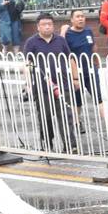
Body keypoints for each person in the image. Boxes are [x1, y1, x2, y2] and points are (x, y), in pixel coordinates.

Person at [21, 13, 74, 149]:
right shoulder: (31, 42)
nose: (47, 27)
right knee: (46, 117)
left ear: (53, 26)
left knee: (65, 116)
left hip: (62, 85)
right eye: (44, 25)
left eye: (49, 24)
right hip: (42, 87)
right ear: (38, 27)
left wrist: (75, 79)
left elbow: (70, 59)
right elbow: (27, 65)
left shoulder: (60, 41)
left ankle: (70, 145)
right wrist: (27, 84)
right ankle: (47, 143)